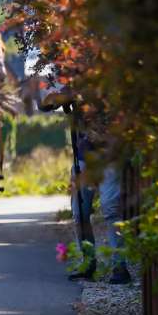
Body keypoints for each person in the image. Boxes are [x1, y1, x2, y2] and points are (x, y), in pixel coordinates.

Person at [40, 86, 131, 285]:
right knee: (80, 212)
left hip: (112, 154)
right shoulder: (76, 80)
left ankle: (120, 266)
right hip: (85, 156)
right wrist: (61, 98)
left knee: (111, 208)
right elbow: (46, 103)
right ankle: (88, 263)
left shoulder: (115, 78)